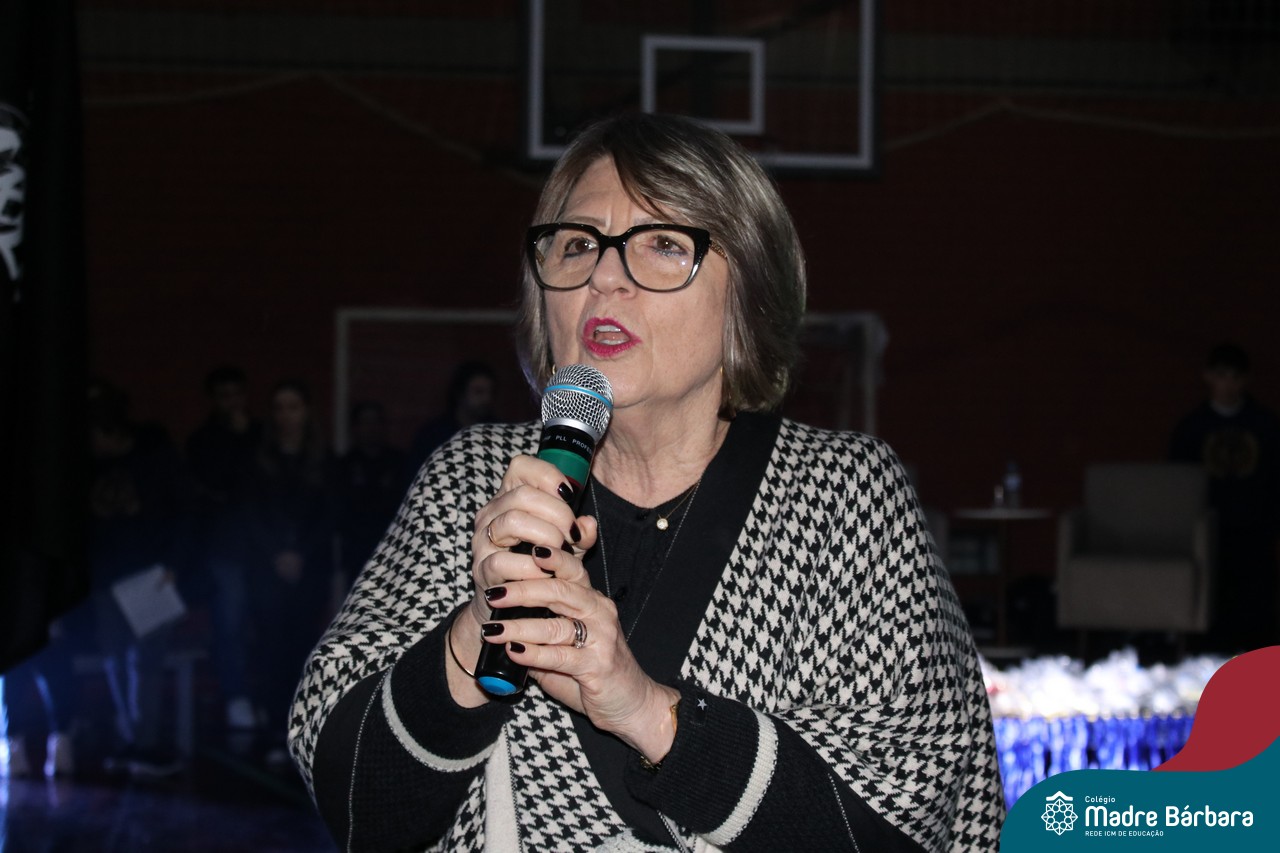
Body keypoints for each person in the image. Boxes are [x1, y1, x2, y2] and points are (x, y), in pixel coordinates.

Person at [288, 113, 1003, 851]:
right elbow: (357, 806)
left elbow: (904, 813)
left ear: (748, 294)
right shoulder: (472, 479)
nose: (603, 277)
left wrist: (645, 711)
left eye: (663, 244)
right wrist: (477, 631)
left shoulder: (846, 494)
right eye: (576, 244)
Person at [86, 378, 190, 778]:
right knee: (116, 659)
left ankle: (143, 742)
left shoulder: (154, 459)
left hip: (150, 575)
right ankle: (132, 739)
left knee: (146, 661)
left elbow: (184, 512)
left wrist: (172, 563)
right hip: (107, 577)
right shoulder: (90, 465)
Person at [245, 379, 337, 764]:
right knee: (271, 646)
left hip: (309, 567)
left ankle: (300, 731)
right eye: (279, 407)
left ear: (306, 412)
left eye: (293, 406)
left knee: (304, 644)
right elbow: (251, 514)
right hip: (267, 568)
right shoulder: (257, 460)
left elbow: (330, 515)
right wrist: (277, 554)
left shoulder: (324, 460)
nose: (286, 415)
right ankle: (271, 728)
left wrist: (300, 555)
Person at [1170, 343, 1280, 653]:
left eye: (1235, 377)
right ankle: (1209, 657)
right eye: (1222, 375)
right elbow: (1178, 482)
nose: (1228, 384)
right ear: (1208, 377)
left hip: (1256, 526)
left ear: (1245, 380)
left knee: (1256, 597)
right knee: (1213, 593)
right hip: (1208, 527)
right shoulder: (1192, 428)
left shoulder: (1266, 426)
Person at [185, 365, 262, 731]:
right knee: (229, 624)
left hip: (261, 545)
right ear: (213, 400)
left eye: (237, 394)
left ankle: (262, 695)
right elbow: (217, 484)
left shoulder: (261, 434)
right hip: (224, 545)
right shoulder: (204, 440)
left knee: (263, 623)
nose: (232, 402)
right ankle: (235, 696)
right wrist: (237, 438)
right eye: (224, 396)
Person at [335, 401, 408, 586]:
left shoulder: (398, 463)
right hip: (357, 555)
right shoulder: (345, 467)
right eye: (365, 422)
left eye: (376, 421)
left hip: (393, 554)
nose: (371, 428)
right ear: (355, 427)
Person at [406, 360, 497, 477]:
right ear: (460, 393)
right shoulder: (433, 435)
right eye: (478, 392)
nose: (486, 399)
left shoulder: (495, 433)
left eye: (491, 392)